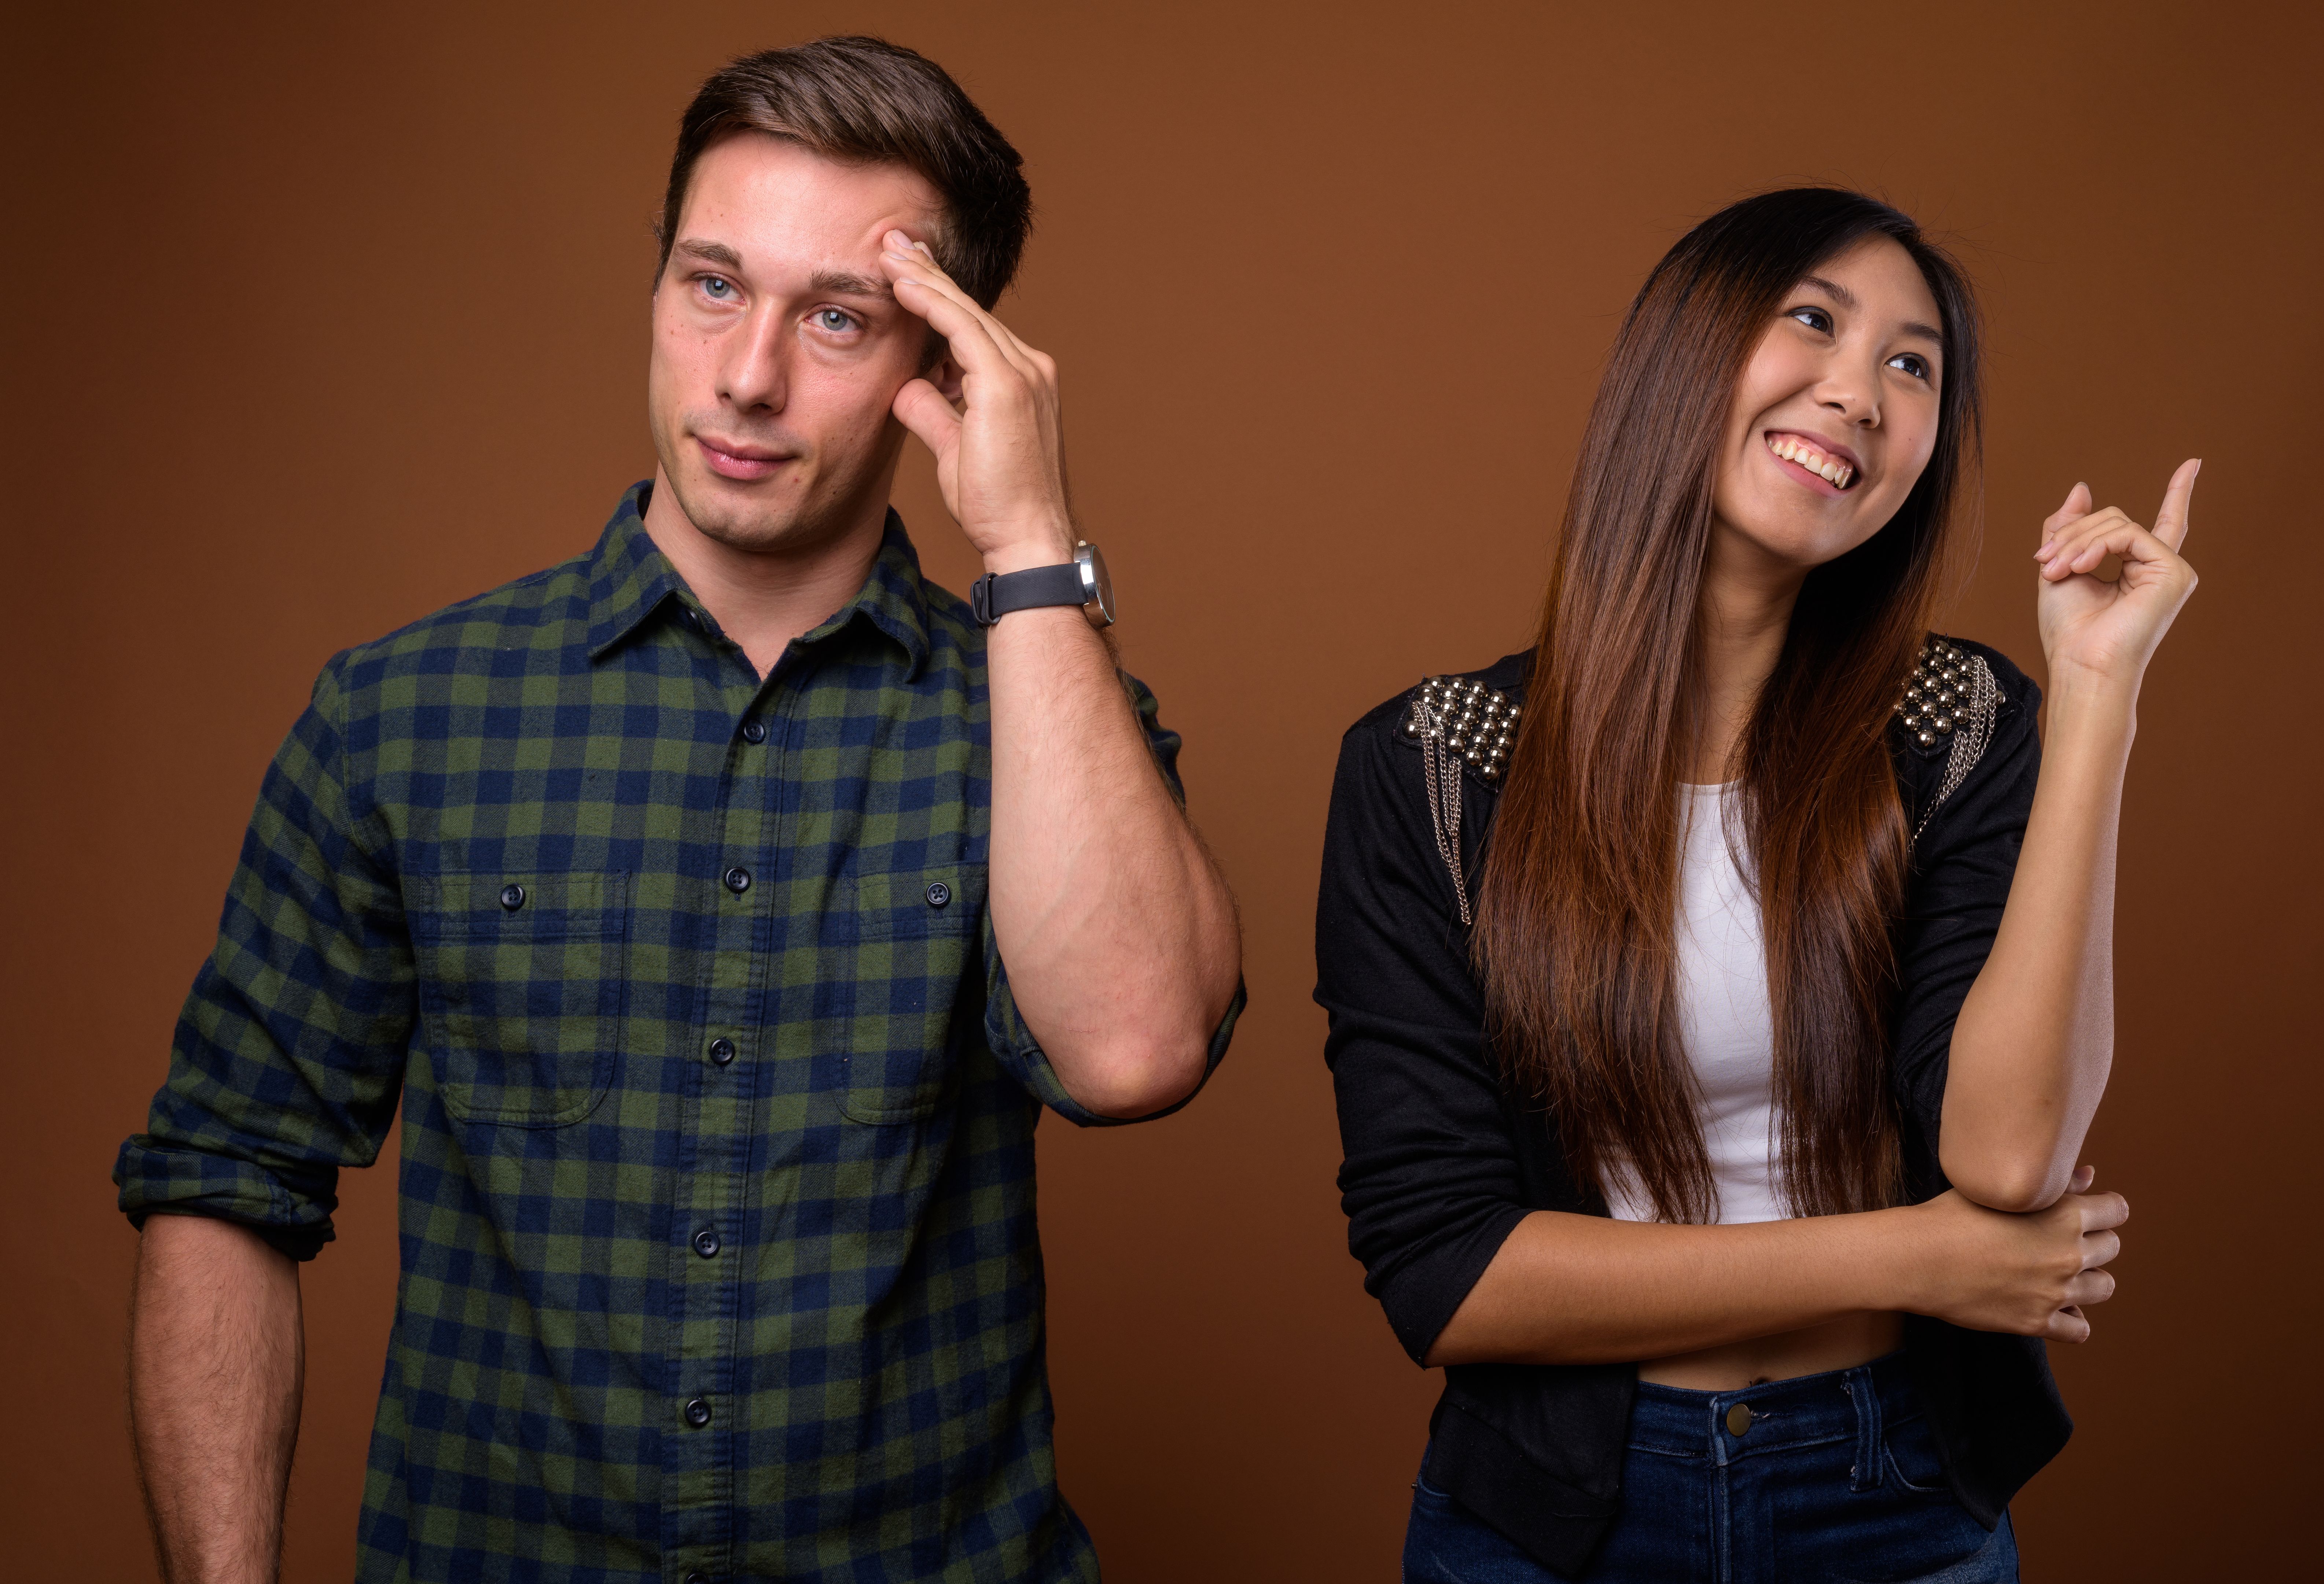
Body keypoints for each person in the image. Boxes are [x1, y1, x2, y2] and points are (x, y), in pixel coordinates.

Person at [115, 36, 1243, 1584]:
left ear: (943, 371)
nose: (748, 377)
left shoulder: (1041, 729)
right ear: (656, 283)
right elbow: (221, 1185)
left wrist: (1031, 541)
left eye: (837, 318)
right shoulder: (401, 716)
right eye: (712, 284)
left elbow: (1131, 1051)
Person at [1317, 187, 2198, 1581]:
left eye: (1912, 367)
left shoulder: (1955, 722)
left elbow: (2008, 1160)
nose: (1859, 393)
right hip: (1553, 1520)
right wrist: (1915, 1261)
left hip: (1893, 1486)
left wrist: (2096, 697)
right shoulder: (1430, 765)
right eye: (1813, 322)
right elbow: (1450, 1274)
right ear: (1683, 355)